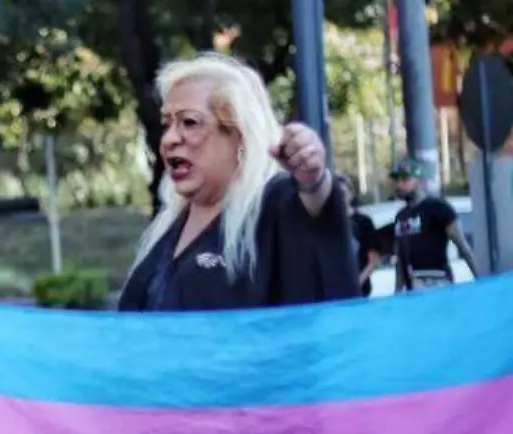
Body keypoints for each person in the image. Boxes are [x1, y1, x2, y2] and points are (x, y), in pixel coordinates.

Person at [118, 53, 357, 311]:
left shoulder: (276, 201)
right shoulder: (169, 225)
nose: (169, 139)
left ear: (240, 136)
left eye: (189, 122)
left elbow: (317, 214)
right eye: (167, 124)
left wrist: (314, 180)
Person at [388, 157, 479, 292]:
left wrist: (481, 281)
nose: (399, 184)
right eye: (397, 180)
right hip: (412, 288)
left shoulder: (439, 208)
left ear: (418, 181)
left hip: (438, 282)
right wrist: (397, 293)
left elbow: (463, 247)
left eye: (405, 179)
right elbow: (400, 259)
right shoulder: (401, 216)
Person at [338, 175, 384, 297]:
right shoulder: (325, 224)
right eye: (335, 194)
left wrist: (357, 282)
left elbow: (374, 260)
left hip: (359, 292)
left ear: (351, 194)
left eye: (342, 193)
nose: (339, 198)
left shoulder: (363, 222)